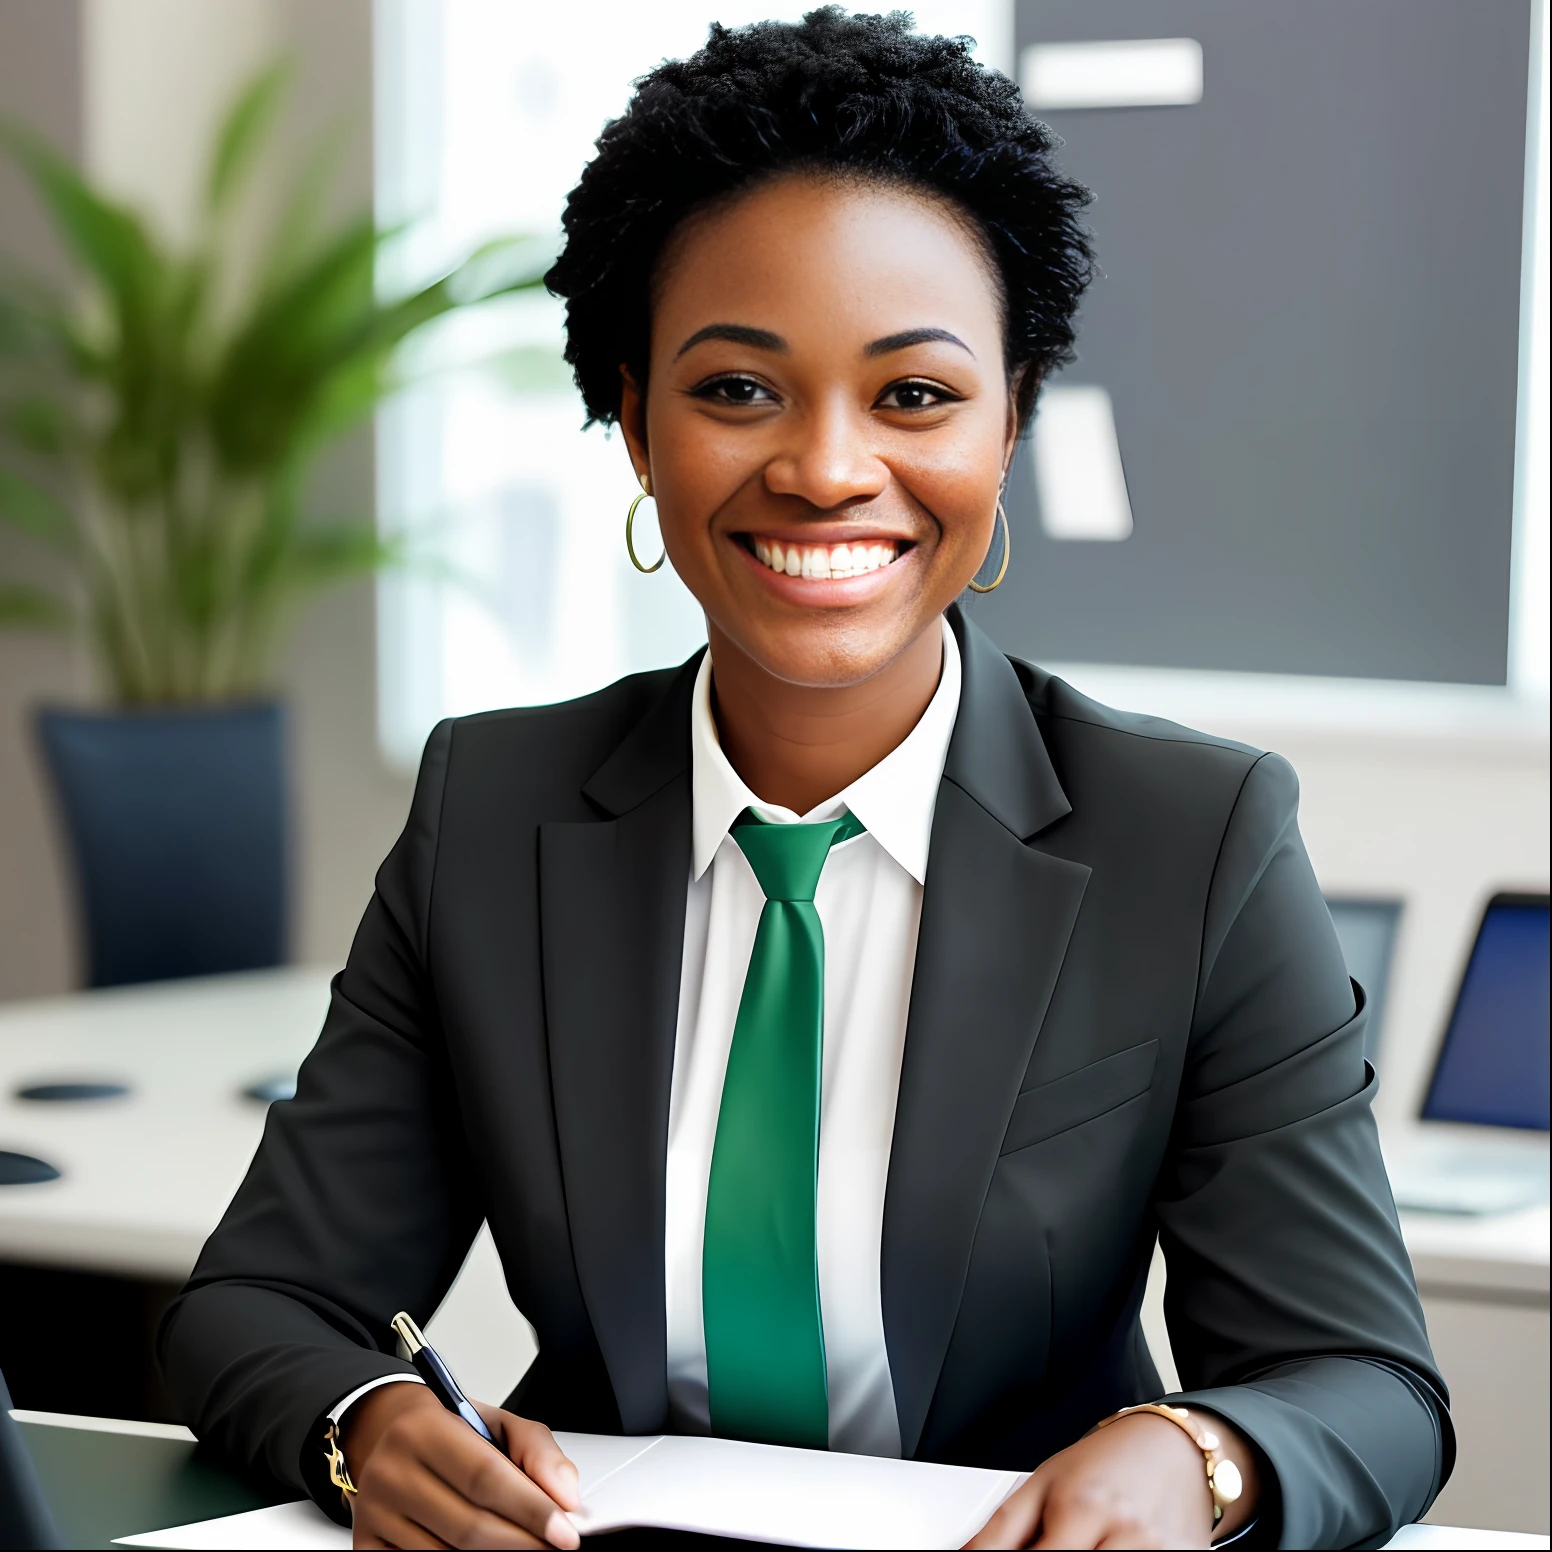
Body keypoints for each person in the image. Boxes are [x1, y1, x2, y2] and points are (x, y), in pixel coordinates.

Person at [160, 11, 1451, 1549]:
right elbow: (257, 1306)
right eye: (738, 391)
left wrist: (1199, 1456)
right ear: (634, 421)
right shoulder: (492, 810)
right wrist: (363, 1424)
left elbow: (1363, 1381)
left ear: (1014, 415)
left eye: (915, 395)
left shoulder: (1194, 837)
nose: (828, 470)